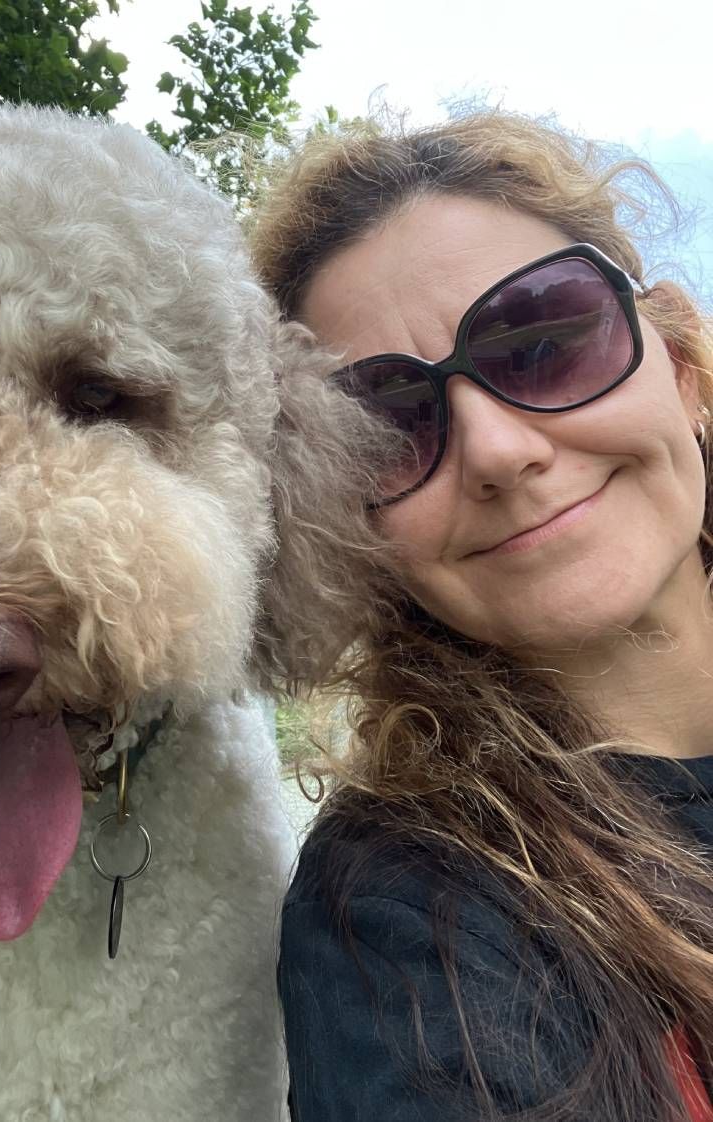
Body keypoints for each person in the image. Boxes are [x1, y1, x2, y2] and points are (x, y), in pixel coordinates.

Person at [250, 111, 713, 1121]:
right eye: (387, 422)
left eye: (543, 339)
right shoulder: (403, 922)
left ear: (677, 366)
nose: (500, 451)